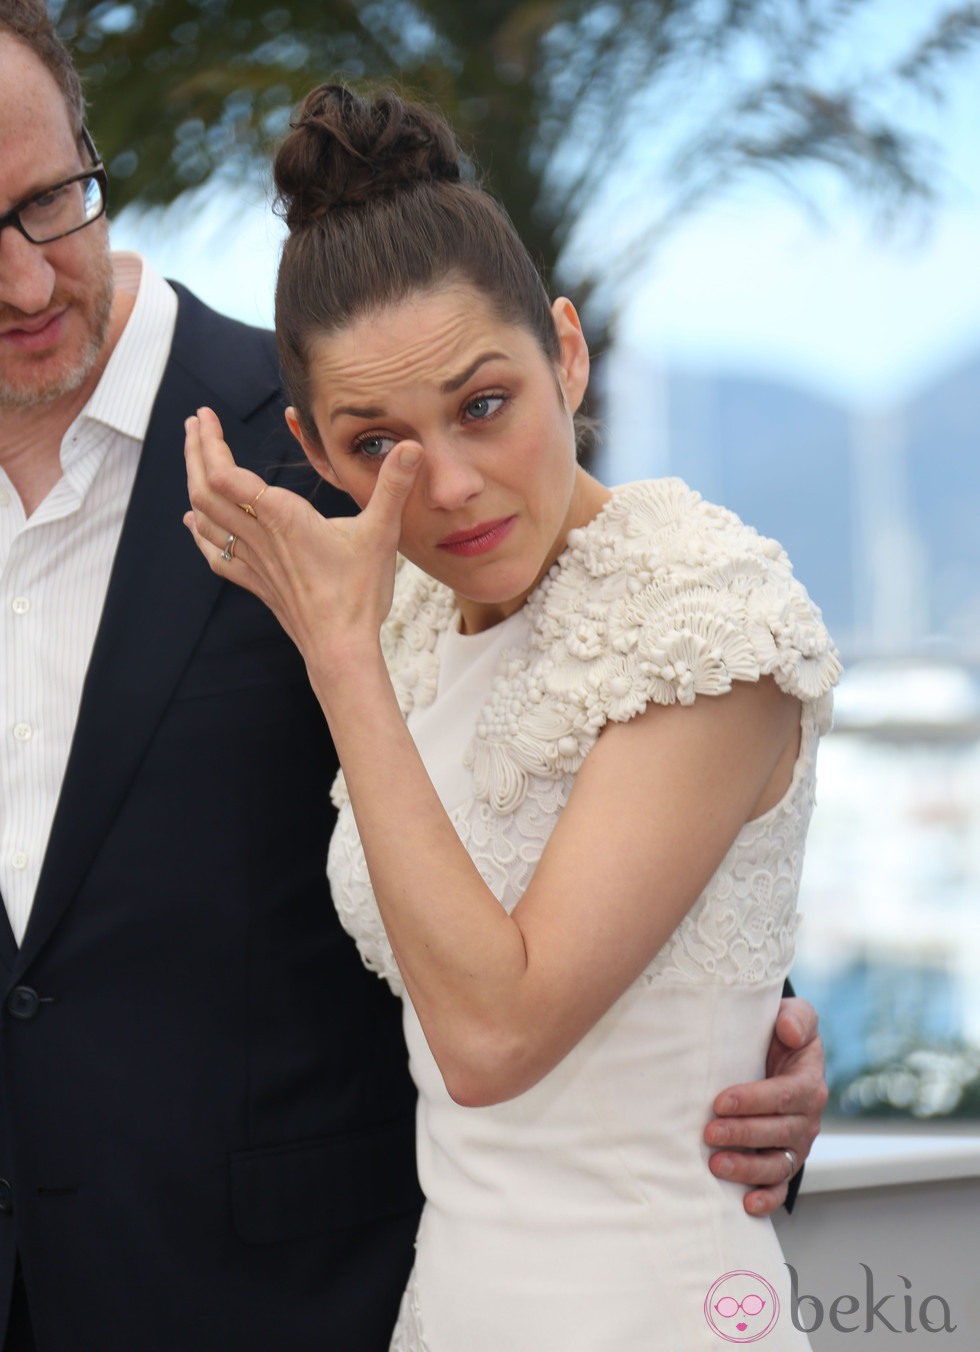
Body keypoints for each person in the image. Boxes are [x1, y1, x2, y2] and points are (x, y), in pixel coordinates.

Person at [0, 5, 824, 1348]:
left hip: (302, 1302)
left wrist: (761, 1035)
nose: (33, 283)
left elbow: (638, 819)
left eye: (50, 201)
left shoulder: (324, 460)